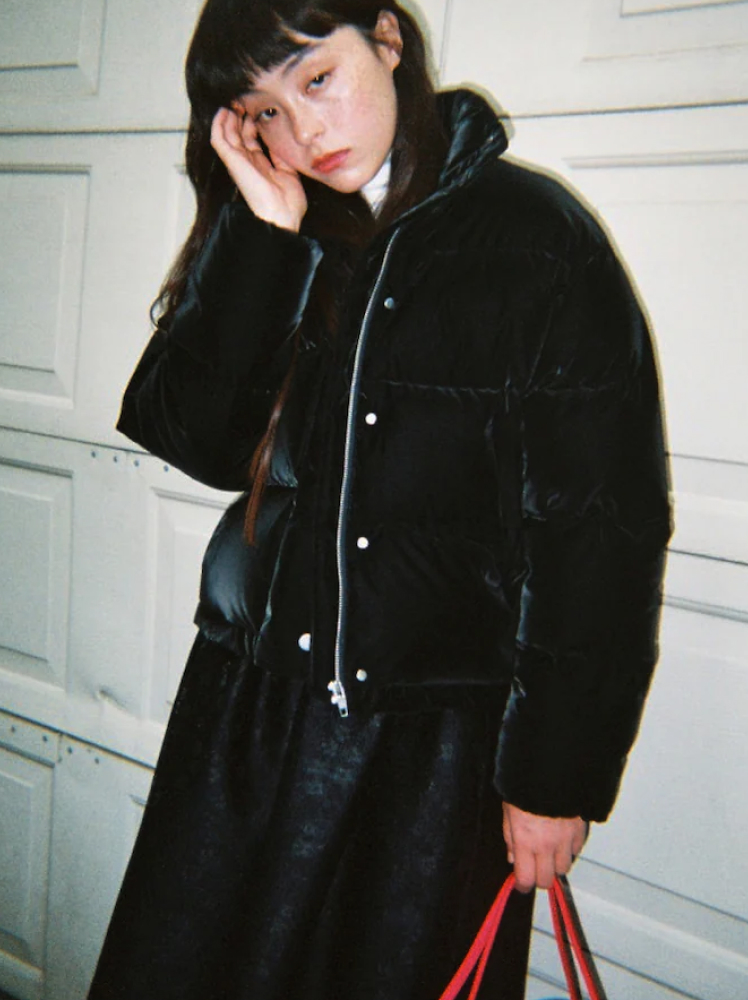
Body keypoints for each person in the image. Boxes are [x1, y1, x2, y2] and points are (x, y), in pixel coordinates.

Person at [87, 1, 672, 998]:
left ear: (388, 42)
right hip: (250, 714)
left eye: (314, 78)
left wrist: (551, 776)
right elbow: (194, 439)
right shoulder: (283, 234)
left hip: (431, 759)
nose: (300, 132)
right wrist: (263, 242)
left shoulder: (536, 242)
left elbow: (597, 533)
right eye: (259, 110)